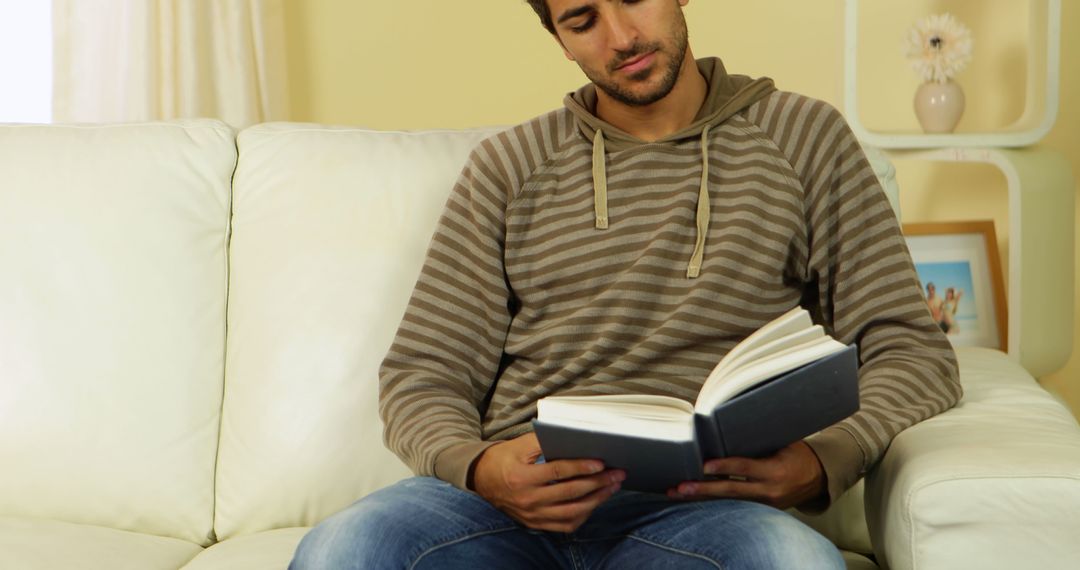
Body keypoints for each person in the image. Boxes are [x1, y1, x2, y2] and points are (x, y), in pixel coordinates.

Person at [290, 1, 962, 568]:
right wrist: (481, 469)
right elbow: (421, 374)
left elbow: (911, 349)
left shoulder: (804, 138)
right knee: (348, 546)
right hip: (508, 516)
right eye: (582, 20)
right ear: (558, 38)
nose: (621, 38)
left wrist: (825, 458)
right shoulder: (508, 168)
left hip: (706, 517)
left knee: (789, 563)